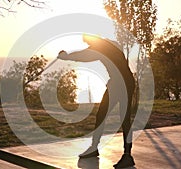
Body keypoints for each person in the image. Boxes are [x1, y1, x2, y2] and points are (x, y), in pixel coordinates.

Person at [57, 34, 136, 168]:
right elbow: (87, 52)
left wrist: (67, 56)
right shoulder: (110, 44)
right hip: (115, 82)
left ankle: (128, 156)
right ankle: (94, 148)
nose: (88, 45)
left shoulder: (101, 49)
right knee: (101, 114)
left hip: (125, 83)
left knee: (125, 118)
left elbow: (84, 55)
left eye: (88, 42)